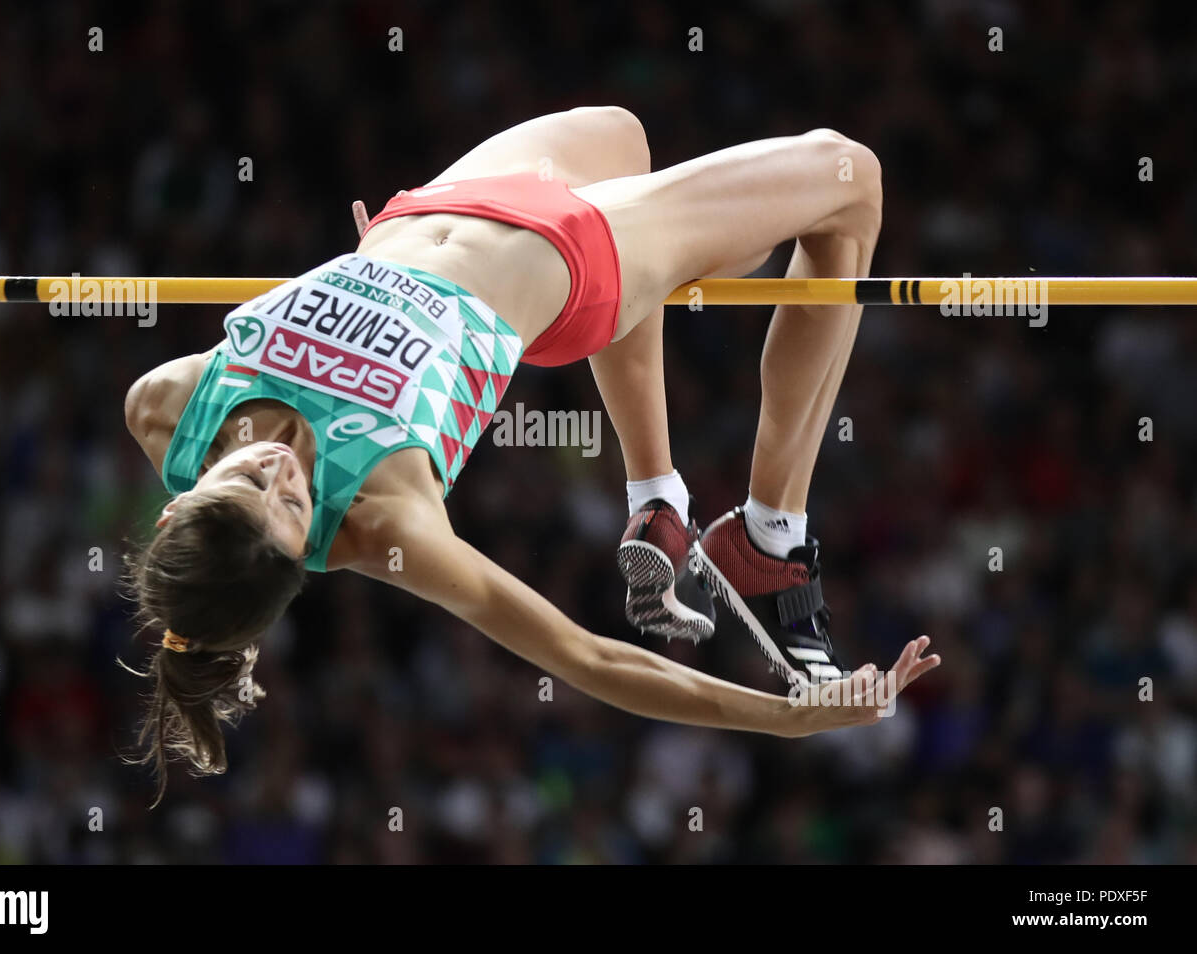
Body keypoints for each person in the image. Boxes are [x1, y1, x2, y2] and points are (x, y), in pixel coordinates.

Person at [123, 106, 940, 800]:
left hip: (430, 212)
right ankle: (769, 533)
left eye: (247, 481)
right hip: (570, 260)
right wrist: (787, 718)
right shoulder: (387, 518)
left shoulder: (165, 409)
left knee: (623, 135)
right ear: (309, 550)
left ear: (179, 501)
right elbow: (583, 657)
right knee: (848, 176)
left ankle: (655, 494)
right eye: (294, 508)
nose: (282, 473)